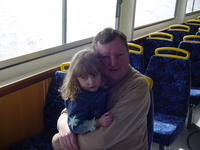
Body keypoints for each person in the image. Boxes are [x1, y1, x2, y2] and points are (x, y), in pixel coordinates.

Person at [52, 28, 150, 150]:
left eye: (119, 55)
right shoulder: (95, 79)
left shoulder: (137, 86)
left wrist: (58, 142)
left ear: (128, 56)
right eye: (105, 57)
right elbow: (71, 109)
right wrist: (63, 124)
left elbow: (101, 140)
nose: (113, 63)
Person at [52, 49, 113, 149]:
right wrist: (98, 122)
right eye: (84, 77)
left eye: (94, 75)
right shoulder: (80, 100)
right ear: (76, 79)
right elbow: (76, 127)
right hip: (80, 137)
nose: (91, 82)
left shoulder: (100, 88)